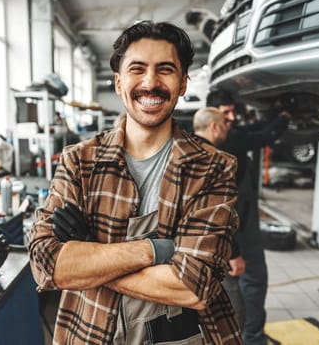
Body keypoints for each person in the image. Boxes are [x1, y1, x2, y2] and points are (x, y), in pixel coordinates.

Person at [29, 21, 242, 344]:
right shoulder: (79, 162)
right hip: (91, 332)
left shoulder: (213, 168)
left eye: (165, 70)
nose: (150, 82)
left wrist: (94, 256)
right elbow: (48, 266)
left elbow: (194, 287)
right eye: (137, 69)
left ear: (183, 83)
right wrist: (157, 250)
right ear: (118, 82)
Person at [206, 90, 290, 345]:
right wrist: (284, 117)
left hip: (239, 217)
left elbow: (254, 129)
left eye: (233, 111)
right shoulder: (227, 140)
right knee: (253, 278)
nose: (232, 117)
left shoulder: (215, 136)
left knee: (238, 281)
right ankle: (252, 338)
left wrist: (273, 115)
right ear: (212, 117)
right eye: (226, 112)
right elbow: (264, 136)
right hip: (239, 221)